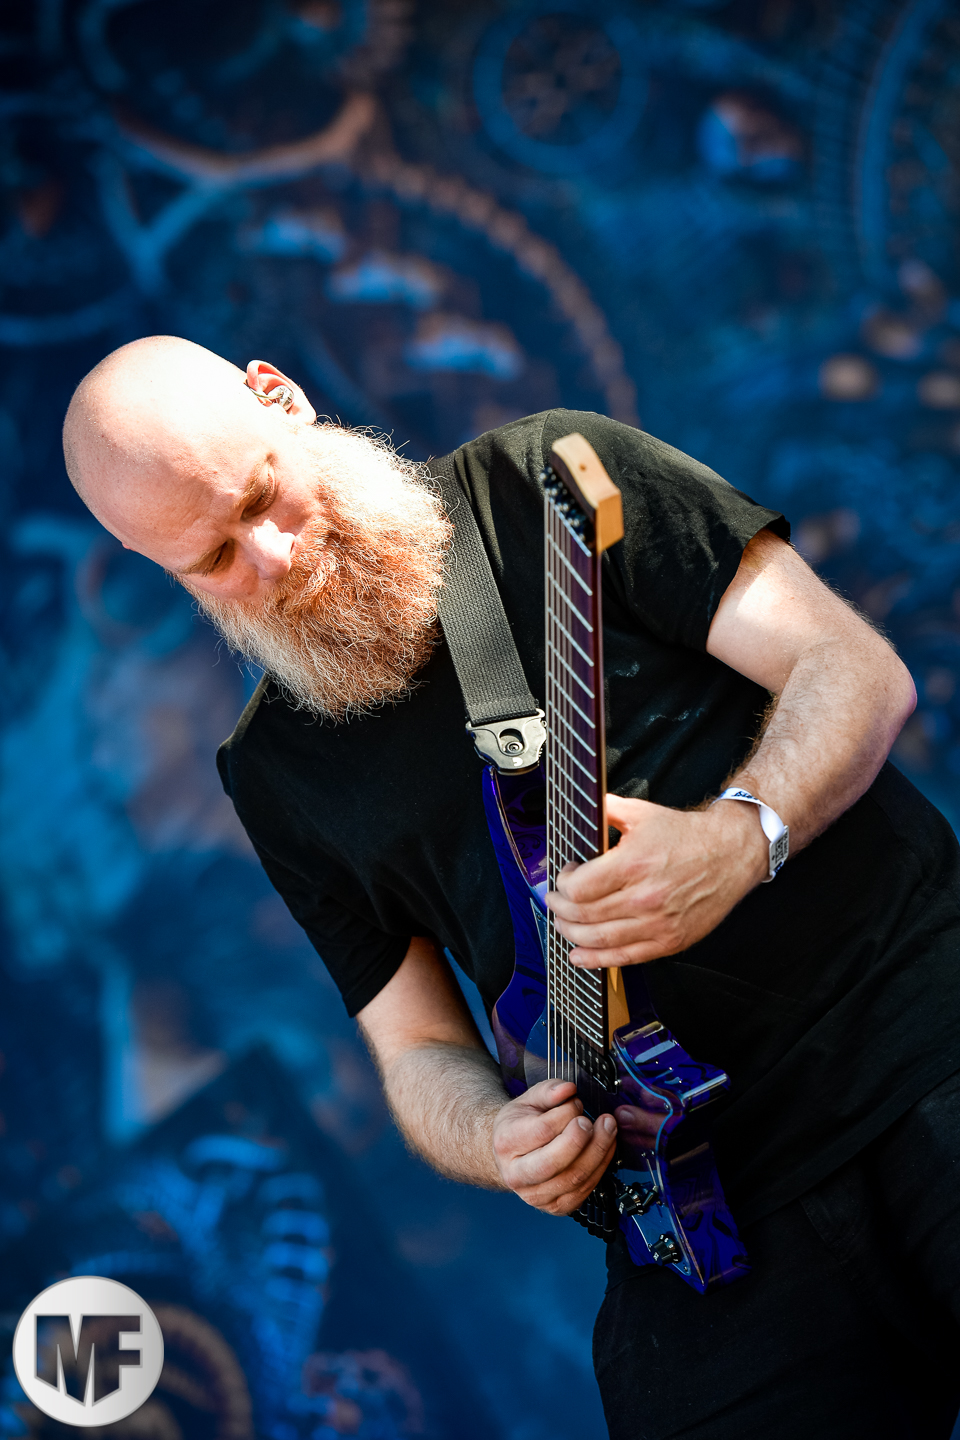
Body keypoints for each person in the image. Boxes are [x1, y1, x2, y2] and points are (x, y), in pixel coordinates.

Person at [63, 335, 960, 1439]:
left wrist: (741, 836)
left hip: (918, 1042)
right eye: (213, 558)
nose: (274, 554)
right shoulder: (272, 774)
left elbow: (852, 668)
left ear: (281, 400)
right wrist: (493, 1136)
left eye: (258, 497)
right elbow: (415, 1050)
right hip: (704, 1209)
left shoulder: (547, 480)